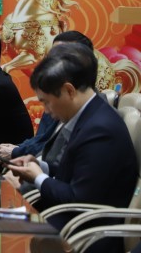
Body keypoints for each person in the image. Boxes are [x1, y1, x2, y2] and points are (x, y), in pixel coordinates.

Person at [8, 43, 137, 252]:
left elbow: (78, 198)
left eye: (47, 102)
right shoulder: (90, 115)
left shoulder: (100, 129)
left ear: (69, 90)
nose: (46, 111)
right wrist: (40, 167)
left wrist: (38, 178)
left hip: (87, 234)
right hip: (69, 221)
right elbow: (77, 172)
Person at [0, 30, 105, 160]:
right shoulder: (58, 98)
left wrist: (18, 153)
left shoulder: (95, 119)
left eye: (61, 57)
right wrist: (18, 148)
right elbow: (42, 139)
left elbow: (55, 155)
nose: (52, 63)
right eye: (51, 56)